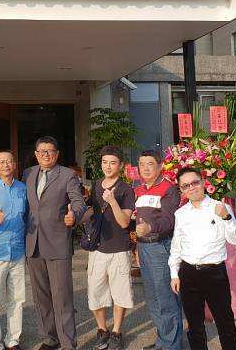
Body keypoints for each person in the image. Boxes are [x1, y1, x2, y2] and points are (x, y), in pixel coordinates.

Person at [169, 168, 236, 350]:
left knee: (224, 321)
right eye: (186, 185)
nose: (191, 188)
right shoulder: (180, 214)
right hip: (188, 272)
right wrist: (174, 274)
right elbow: (176, 245)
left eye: (195, 183)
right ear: (181, 190)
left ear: (203, 182)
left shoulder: (220, 207)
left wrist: (226, 217)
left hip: (214, 273)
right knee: (194, 324)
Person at [24, 136, 86, 350]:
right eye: (41, 151)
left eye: (50, 151)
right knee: (40, 297)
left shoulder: (68, 175)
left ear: (57, 154)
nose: (46, 155)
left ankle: (68, 343)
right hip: (33, 243)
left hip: (57, 243)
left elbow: (78, 202)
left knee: (62, 297)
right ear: (36, 154)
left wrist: (74, 216)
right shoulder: (28, 173)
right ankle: (49, 339)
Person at [134, 149, 183, 350]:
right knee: (153, 298)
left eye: (150, 164)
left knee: (166, 299)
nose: (145, 168)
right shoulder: (138, 189)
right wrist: (136, 247)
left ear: (160, 166)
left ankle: (172, 345)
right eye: (142, 164)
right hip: (143, 247)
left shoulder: (169, 189)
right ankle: (163, 342)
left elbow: (169, 220)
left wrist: (150, 227)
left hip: (160, 247)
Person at [88, 145, 135, 350]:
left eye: (113, 163)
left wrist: (112, 201)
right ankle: (102, 330)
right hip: (98, 248)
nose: (108, 166)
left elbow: (124, 222)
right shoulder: (96, 185)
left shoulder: (126, 189)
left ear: (121, 165)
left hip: (119, 249)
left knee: (120, 293)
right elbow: (91, 212)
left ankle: (116, 331)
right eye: (104, 162)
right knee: (95, 292)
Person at [0, 150, 27, 350]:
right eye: (1, 162)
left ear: (14, 165)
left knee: (17, 300)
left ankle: (13, 340)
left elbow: (28, 218)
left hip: (18, 252)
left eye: (9, 161)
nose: (6, 165)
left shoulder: (23, 189)